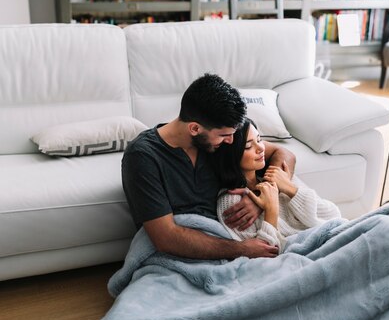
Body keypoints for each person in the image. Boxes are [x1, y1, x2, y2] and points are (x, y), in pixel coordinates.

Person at [121, 73, 296, 260]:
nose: (231, 140)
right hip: (191, 248)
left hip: (228, 235)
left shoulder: (218, 138)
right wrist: (242, 249)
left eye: (232, 134)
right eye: (224, 135)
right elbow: (165, 238)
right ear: (195, 129)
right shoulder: (143, 157)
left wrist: (261, 199)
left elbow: (284, 154)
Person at [213, 119, 342, 253]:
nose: (261, 148)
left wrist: (289, 188)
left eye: (259, 140)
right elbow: (266, 253)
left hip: (330, 237)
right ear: (231, 155)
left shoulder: (274, 176)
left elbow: (333, 214)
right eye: (248, 146)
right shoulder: (233, 202)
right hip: (309, 253)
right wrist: (271, 210)